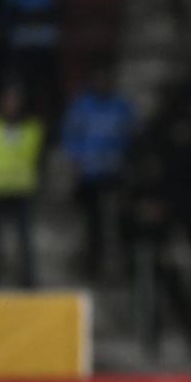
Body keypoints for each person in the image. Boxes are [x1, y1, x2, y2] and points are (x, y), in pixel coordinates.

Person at [61, 68, 137, 278]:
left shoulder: (121, 107)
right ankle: (92, 266)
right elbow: (70, 136)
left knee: (118, 223)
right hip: (90, 175)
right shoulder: (82, 107)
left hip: (115, 174)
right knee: (92, 225)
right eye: (98, 80)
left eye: (106, 80)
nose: (102, 84)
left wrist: (127, 162)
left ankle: (120, 267)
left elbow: (132, 136)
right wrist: (76, 163)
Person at [0, 82, 44, 288]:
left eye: (15, 101)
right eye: (7, 100)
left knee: (25, 240)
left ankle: (28, 280)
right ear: (0, 102)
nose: (11, 105)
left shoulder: (32, 128)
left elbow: (40, 159)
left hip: (23, 189)